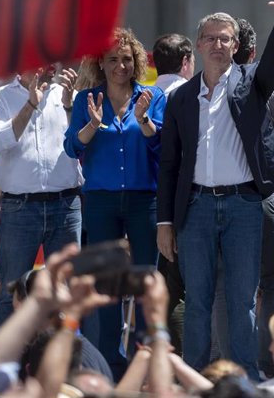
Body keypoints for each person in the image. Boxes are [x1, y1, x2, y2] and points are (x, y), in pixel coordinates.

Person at [157, 0, 274, 380]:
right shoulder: (182, 98)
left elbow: (270, 62)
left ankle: (244, 379)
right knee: (198, 300)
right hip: (196, 209)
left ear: (235, 46)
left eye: (225, 38)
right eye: (211, 38)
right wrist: (164, 222)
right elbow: (169, 164)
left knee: (241, 301)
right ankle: (196, 378)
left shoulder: (251, 83)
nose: (218, 44)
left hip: (243, 206)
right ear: (199, 45)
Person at [63, 27, 166, 380]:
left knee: (144, 281)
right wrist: (92, 125)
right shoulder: (86, 100)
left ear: (136, 62)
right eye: (113, 60)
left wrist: (145, 122)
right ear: (100, 64)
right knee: (106, 285)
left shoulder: (152, 97)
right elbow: (71, 148)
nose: (121, 65)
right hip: (101, 200)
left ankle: (147, 361)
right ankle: (109, 364)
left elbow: (163, 148)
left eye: (127, 59)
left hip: (143, 200)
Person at [210, 16, 274, 379]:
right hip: (260, 198)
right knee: (272, 280)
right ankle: (266, 362)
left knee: (225, 285)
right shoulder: (265, 88)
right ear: (254, 52)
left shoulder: (207, 89)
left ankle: (225, 366)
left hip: (216, 199)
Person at [0, 65, 84, 326]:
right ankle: (9, 366)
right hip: (20, 208)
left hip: (66, 205)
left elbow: (84, 141)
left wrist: (71, 106)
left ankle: (66, 362)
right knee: (11, 293)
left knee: (66, 292)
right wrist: (30, 104)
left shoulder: (68, 93)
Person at [151, 32, 194, 355]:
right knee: (181, 288)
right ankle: (180, 359)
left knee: (159, 286)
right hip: (182, 202)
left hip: (145, 201)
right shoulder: (188, 94)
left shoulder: (145, 94)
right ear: (186, 62)